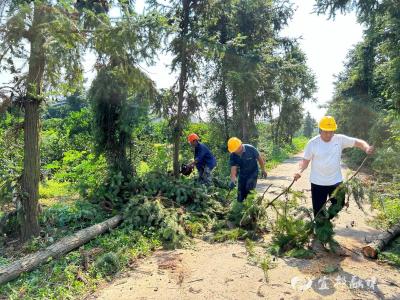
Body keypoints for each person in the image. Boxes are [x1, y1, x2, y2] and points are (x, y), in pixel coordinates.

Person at [293, 116, 373, 253]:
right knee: (318, 211)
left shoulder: (339, 139)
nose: (329, 134)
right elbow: (305, 161)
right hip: (318, 183)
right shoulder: (313, 143)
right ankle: (319, 239)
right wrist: (299, 171)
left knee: (340, 203)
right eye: (326, 131)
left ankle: (325, 222)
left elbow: (358, 142)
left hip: (336, 181)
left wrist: (366, 148)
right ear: (320, 130)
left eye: (331, 131)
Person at [228, 137, 267, 202]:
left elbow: (260, 159)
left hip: (253, 172)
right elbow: (233, 169)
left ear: (239, 146)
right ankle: (239, 206)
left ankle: (250, 206)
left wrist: (263, 170)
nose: (234, 151)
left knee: (249, 189)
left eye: (235, 149)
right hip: (242, 173)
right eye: (233, 150)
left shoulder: (250, 148)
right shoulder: (233, 155)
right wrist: (232, 180)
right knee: (240, 193)